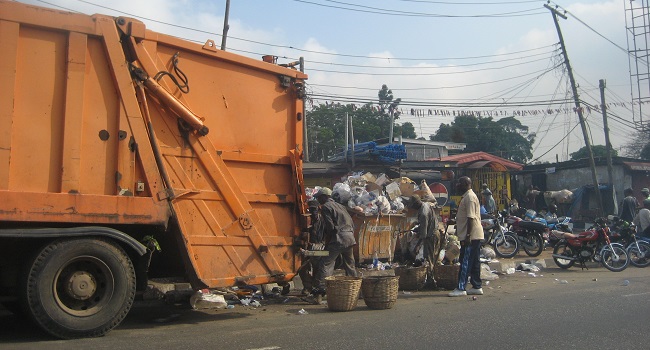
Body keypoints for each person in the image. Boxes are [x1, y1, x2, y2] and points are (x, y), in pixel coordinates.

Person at [312, 187, 358, 297]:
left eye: (319, 197)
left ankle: (320, 290)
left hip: (339, 238)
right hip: (350, 238)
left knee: (326, 263)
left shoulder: (326, 207)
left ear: (324, 197)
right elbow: (351, 224)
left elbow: (330, 227)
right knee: (350, 265)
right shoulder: (341, 206)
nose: (318, 200)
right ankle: (356, 290)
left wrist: (327, 241)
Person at [449, 176, 484, 297]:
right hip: (474, 234)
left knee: (465, 261)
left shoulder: (469, 198)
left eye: (459, 183)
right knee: (474, 261)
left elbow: (470, 218)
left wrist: (468, 235)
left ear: (465, 184)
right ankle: (476, 285)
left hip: (471, 235)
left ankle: (461, 287)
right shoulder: (467, 197)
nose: (457, 185)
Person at [410, 194, 440, 288]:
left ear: (416, 204)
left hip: (431, 236)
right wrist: (418, 228)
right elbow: (425, 225)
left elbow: (424, 232)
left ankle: (431, 281)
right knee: (434, 257)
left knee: (429, 258)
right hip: (435, 233)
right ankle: (435, 278)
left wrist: (418, 245)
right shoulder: (426, 205)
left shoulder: (423, 212)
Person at [298, 200, 324, 295]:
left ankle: (315, 288)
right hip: (308, 248)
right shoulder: (306, 220)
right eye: (310, 209)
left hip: (320, 248)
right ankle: (307, 287)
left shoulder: (323, 220)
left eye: (314, 209)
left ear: (319, 209)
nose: (312, 212)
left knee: (318, 268)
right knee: (302, 268)